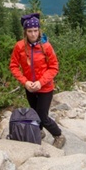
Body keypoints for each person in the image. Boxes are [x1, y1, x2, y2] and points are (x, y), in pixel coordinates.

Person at [9, 13, 66, 149]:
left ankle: (58, 135)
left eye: (35, 31)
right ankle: (38, 132)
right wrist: (25, 82)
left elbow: (54, 67)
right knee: (34, 112)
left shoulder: (46, 47)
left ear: (39, 30)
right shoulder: (20, 47)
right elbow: (14, 66)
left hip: (45, 88)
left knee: (42, 115)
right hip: (29, 87)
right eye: (30, 31)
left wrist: (41, 82)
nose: (33, 34)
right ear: (25, 32)